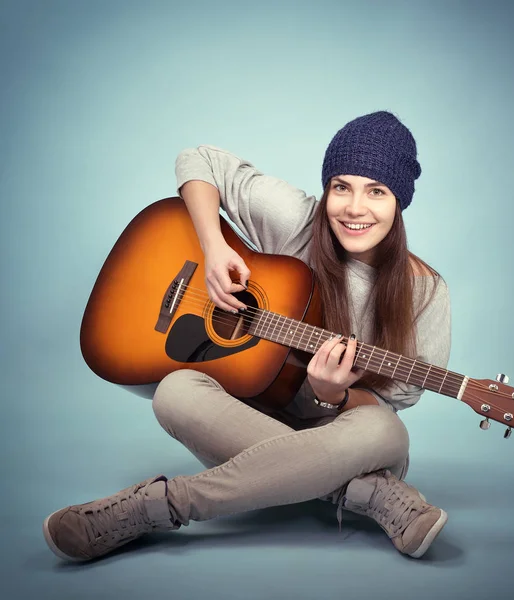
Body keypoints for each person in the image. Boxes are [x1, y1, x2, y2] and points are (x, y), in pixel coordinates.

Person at [43, 110, 451, 562]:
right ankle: (364, 494)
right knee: (174, 391)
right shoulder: (295, 219)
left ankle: (159, 505)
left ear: (400, 201)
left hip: (343, 436)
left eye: (377, 191)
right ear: (327, 189)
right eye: (341, 187)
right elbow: (199, 160)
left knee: (385, 431)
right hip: (252, 413)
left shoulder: (425, 292)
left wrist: (331, 396)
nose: (355, 208)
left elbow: (393, 403)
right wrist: (213, 247)